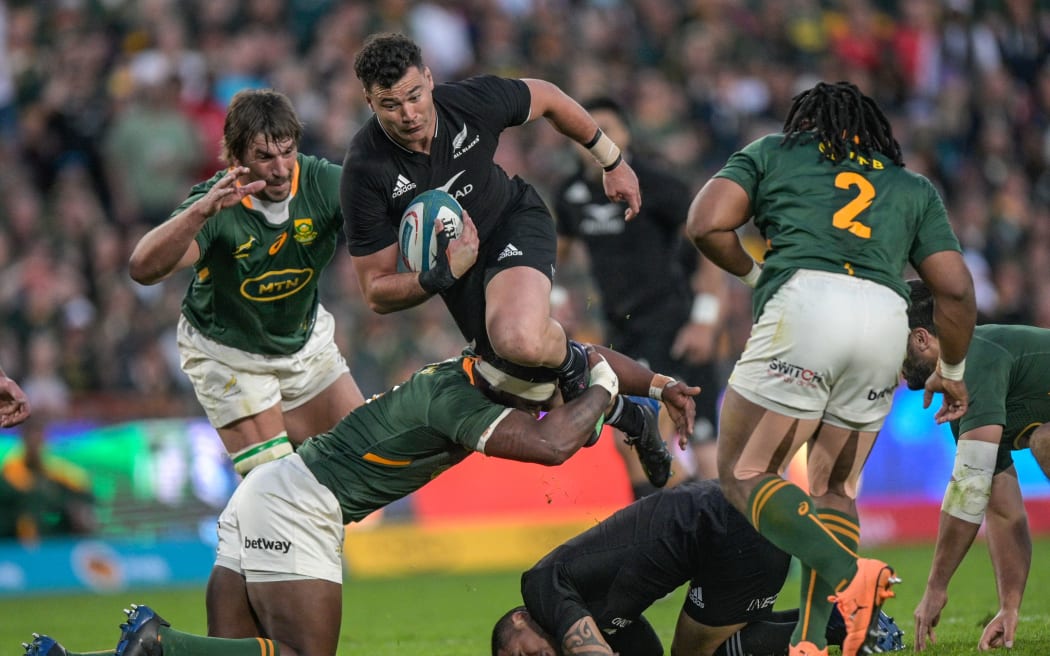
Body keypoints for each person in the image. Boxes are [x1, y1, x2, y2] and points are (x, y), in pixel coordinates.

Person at [24, 344, 697, 656]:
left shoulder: (481, 369)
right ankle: (158, 644)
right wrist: (608, 393)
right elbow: (555, 444)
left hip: (270, 492)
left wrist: (656, 383)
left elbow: (586, 355)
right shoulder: (462, 402)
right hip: (301, 507)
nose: (557, 402)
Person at [684, 80, 977, 656]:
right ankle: (813, 643)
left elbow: (705, 223)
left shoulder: (772, 151)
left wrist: (752, 274)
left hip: (806, 303)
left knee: (744, 473)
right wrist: (952, 368)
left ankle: (851, 576)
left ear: (808, 124)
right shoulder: (911, 186)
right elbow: (956, 290)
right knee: (836, 488)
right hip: (887, 316)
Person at [340, 33, 662, 458]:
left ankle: (578, 369)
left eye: (415, 96)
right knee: (523, 390)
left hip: (514, 221)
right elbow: (376, 292)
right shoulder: (365, 169)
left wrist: (612, 160)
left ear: (430, 79)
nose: (409, 114)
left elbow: (547, 97)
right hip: (457, 271)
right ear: (369, 101)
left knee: (519, 340)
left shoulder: (471, 102)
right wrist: (442, 274)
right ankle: (633, 415)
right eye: (390, 105)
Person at [128, 88, 365, 475]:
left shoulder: (322, 182)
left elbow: (387, 203)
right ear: (236, 158)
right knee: (276, 485)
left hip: (303, 343)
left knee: (364, 460)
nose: (281, 168)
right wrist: (198, 215)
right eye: (265, 157)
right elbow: (142, 268)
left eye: (287, 152)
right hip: (228, 355)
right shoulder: (215, 204)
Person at [491, 479, 904, 656]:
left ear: (522, 620)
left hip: (727, 525)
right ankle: (841, 617)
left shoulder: (542, 587)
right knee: (728, 645)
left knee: (698, 653)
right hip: (736, 530)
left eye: (519, 654)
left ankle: (845, 623)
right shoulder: (595, 614)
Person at [554, 96, 727, 495]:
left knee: (700, 445)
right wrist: (554, 299)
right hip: (623, 334)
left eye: (607, 130)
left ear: (626, 134)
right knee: (636, 440)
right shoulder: (570, 195)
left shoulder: (658, 184)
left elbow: (709, 251)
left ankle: (699, 534)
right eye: (586, 132)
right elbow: (550, 259)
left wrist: (704, 319)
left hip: (674, 325)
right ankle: (679, 534)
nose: (595, 140)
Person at [903, 279, 1050, 652]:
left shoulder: (973, 358)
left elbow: (968, 486)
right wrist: (1010, 606)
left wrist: (936, 586)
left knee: (1045, 442)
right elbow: (1003, 511)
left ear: (921, 339)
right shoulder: (959, 393)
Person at [0, 413, 96, 543]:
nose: (34, 441)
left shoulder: (57, 468)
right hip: (16, 534)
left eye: (38, 435)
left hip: (54, 529)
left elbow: (82, 488)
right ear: (23, 438)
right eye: (31, 436)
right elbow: (24, 492)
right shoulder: (10, 468)